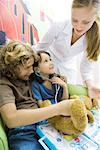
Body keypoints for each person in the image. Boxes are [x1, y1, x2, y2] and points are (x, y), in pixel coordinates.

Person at [0, 40, 74, 150]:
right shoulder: (4, 85)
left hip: (46, 124)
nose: (31, 71)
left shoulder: (30, 75)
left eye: (32, 66)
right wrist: (58, 109)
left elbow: (45, 73)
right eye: (27, 67)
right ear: (13, 67)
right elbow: (11, 119)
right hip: (24, 130)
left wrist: (61, 81)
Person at [36, 0, 100, 99]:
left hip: (68, 69)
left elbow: (86, 68)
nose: (79, 26)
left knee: (66, 96)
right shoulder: (59, 25)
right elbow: (40, 49)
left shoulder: (95, 38)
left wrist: (90, 87)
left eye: (86, 22)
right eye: (74, 20)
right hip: (47, 61)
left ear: (95, 18)